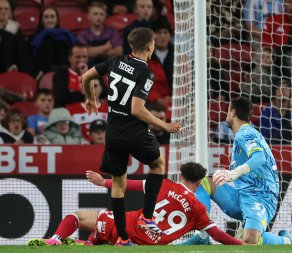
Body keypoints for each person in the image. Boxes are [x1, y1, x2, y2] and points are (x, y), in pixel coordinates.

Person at [81, 27, 181, 246]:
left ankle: (123, 238)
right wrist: (163, 124)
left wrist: (91, 99)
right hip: (133, 131)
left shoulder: (116, 60)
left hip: (113, 132)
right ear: (150, 46)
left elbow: (86, 76)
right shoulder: (146, 72)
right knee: (157, 164)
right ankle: (147, 216)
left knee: (118, 184)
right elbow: (137, 109)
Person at [28, 162, 243, 246]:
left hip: (130, 226)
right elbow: (218, 235)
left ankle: (56, 240)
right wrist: (241, 244)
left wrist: (103, 181)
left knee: (78, 217)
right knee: (101, 238)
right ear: (199, 182)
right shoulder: (199, 209)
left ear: (181, 175)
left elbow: (126, 184)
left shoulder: (164, 185)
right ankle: (88, 245)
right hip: (149, 245)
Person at [210, 97, 292, 245]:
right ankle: (202, 235)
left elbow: (259, 157)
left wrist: (232, 173)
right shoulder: (244, 134)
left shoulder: (245, 133)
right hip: (244, 195)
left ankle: (288, 241)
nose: (226, 115)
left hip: (259, 197)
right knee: (204, 182)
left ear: (232, 113)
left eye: (228, 111)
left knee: (249, 241)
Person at [78, 1, 123, 67]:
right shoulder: (83, 34)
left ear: (106, 16)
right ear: (89, 16)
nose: (98, 17)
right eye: (95, 14)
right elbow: (86, 53)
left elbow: (119, 51)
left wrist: (95, 52)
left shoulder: (112, 31)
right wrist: (106, 47)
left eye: (102, 14)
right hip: (90, 68)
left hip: (109, 66)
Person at [52, 43, 88, 108]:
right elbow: (62, 98)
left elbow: (103, 93)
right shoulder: (61, 73)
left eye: (84, 57)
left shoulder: (93, 72)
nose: (82, 60)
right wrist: (87, 94)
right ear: (70, 58)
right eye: (78, 57)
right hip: (67, 114)